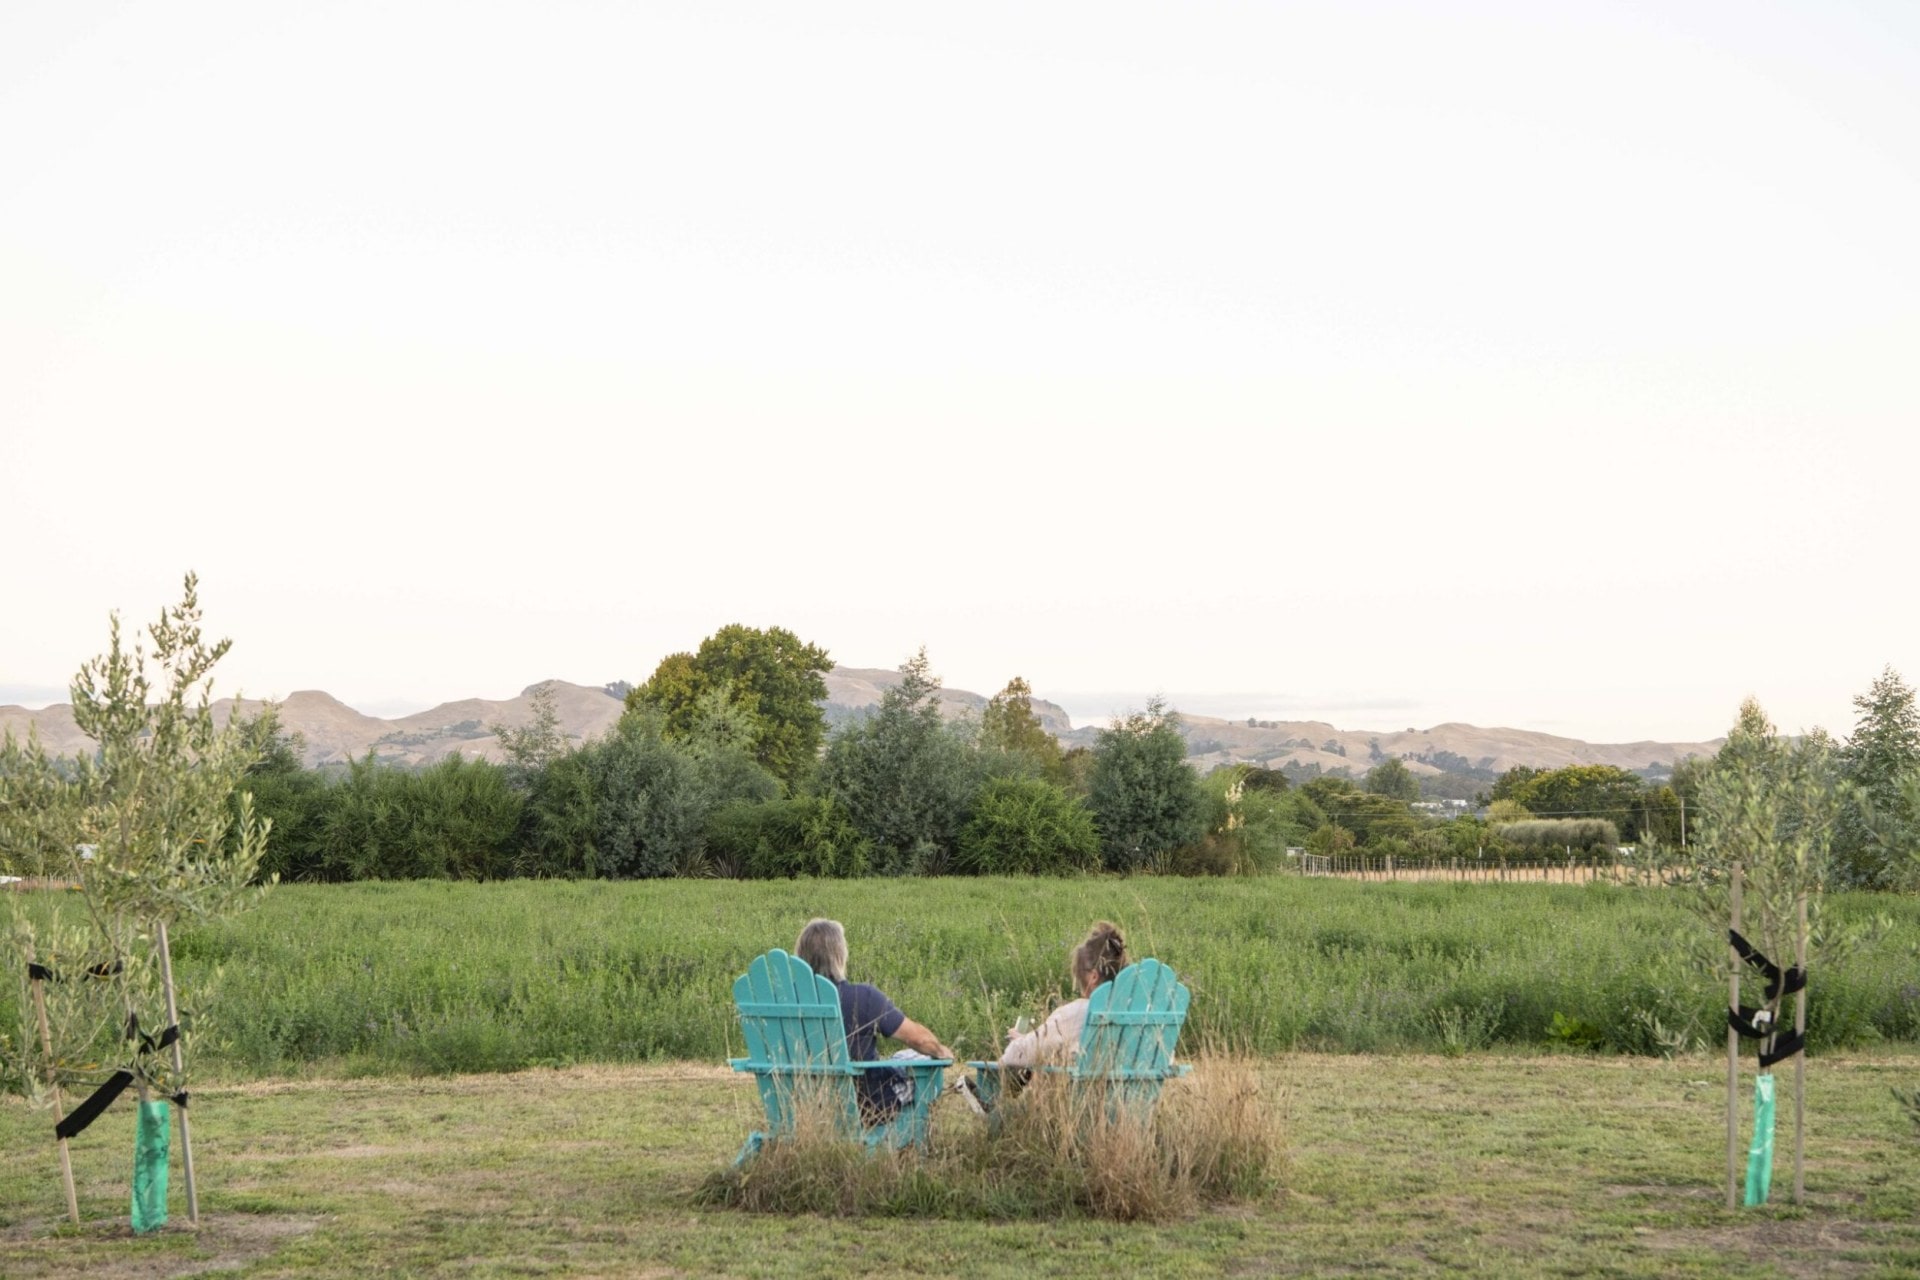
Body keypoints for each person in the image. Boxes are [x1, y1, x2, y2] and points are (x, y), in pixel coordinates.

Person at [793, 917, 954, 1120]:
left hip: (807, 1107)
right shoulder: (863, 997)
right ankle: (914, 1144)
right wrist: (941, 1051)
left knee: (902, 1057)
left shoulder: (785, 1002)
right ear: (839, 956)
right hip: (868, 1106)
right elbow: (918, 1039)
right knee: (928, 1070)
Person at [1000, 920, 1128, 1068]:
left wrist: (1019, 1041)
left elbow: (1014, 1055)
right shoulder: (1133, 1010)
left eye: (1079, 973)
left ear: (1093, 977)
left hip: (1080, 1090)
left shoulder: (1077, 1013)